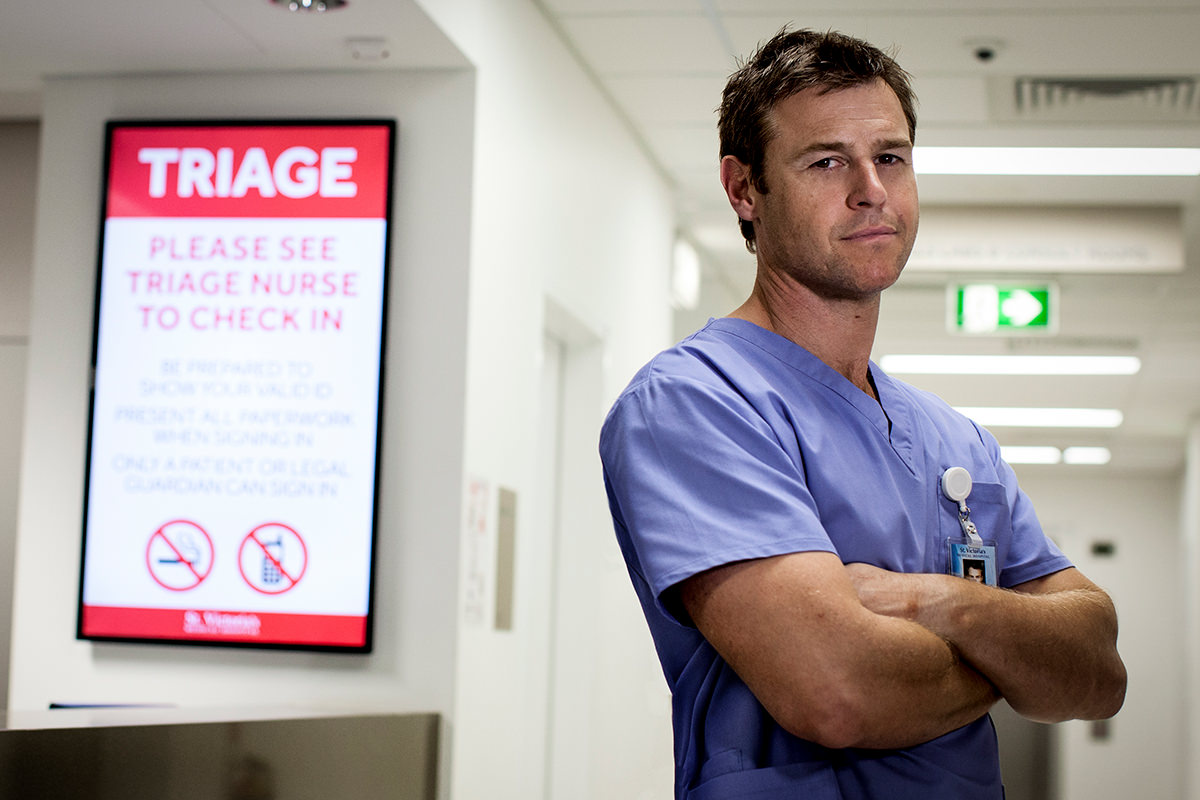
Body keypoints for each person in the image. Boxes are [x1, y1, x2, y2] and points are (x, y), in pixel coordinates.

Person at [598, 26, 1126, 800]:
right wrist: (1014, 655)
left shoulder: (957, 440)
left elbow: (1097, 671)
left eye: (890, 157)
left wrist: (930, 601)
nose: (870, 189)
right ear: (744, 188)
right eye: (826, 161)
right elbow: (838, 690)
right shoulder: (695, 402)